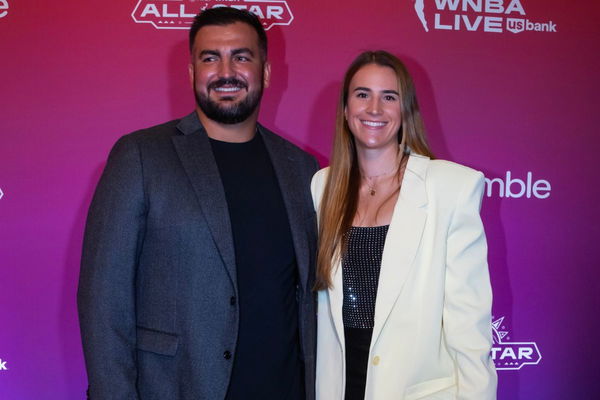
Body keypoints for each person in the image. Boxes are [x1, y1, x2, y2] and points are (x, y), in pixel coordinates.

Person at [77, 7, 318, 400]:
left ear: (266, 72)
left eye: (241, 56)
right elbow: (103, 300)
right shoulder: (140, 156)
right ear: (191, 72)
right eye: (210, 58)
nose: (226, 71)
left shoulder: (300, 167)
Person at [311, 51, 497, 399]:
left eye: (389, 97)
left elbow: (468, 327)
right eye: (362, 94)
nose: (374, 109)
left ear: (405, 110)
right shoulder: (322, 187)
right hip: (338, 387)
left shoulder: (450, 188)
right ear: (346, 110)